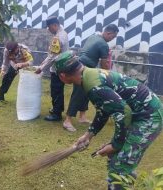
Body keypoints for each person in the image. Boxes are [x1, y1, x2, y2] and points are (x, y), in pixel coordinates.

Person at [54, 51, 163, 189]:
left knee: (119, 166)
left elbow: (124, 112)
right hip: (141, 114)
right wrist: (88, 135)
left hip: (148, 117)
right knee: (117, 158)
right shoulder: (89, 75)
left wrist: (116, 144)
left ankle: (124, 177)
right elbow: (104, 110)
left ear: (62, 76)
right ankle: (128, 178)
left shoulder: (94, 85)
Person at [63, 24, 119, 132]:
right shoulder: (103, 44)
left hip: (82, 66)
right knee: (78, 93)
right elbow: (104, 64)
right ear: (108, 33)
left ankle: (82, 117)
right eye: (113, 37)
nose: (113, 39)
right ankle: (67, 121)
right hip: (82, 69)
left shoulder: (93, 36)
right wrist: (107, 76)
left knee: (86, 92)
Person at [35, 16, 69, 121]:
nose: (49, 30)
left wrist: (41, 68)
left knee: (56, 90)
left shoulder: (58, 38)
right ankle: (57, 109)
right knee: (58, 90)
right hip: (62, 67)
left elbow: (53, 57)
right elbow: (52, 54)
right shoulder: (64, 33)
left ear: (55, 25)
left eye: (49, 27)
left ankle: (56, 114)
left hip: (57, 68)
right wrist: (43, 63)